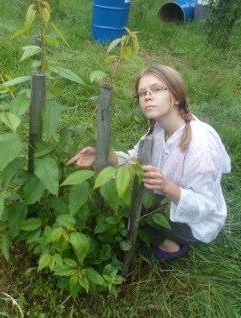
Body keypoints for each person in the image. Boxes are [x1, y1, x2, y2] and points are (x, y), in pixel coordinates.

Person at [66, 64, 231, 261]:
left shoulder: (200, 144)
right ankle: (153, 232)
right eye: (142, 93)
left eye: (156, 89)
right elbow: (136, 159)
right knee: (131, 202)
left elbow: (207, 205)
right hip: (165, 200)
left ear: (177, 97)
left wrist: (168, 187)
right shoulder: (158, 128)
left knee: (136, 208)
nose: (147, 96)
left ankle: (171, 245)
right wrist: (103, 155)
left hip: (197, 222)